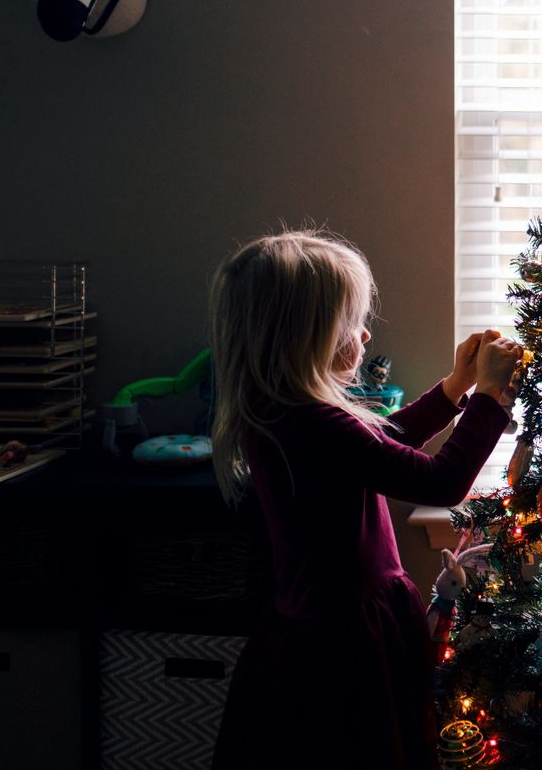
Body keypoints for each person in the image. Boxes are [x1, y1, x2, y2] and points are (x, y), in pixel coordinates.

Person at [207, 229, 521, 770]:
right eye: (351, 325)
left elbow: (382, 444)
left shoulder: (284, 413)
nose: (366, 335)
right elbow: (441, 482)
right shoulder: (317, 423)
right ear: (306, 338)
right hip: (345, 645)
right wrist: (489, 398)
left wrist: (455, 386)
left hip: (318, 633)